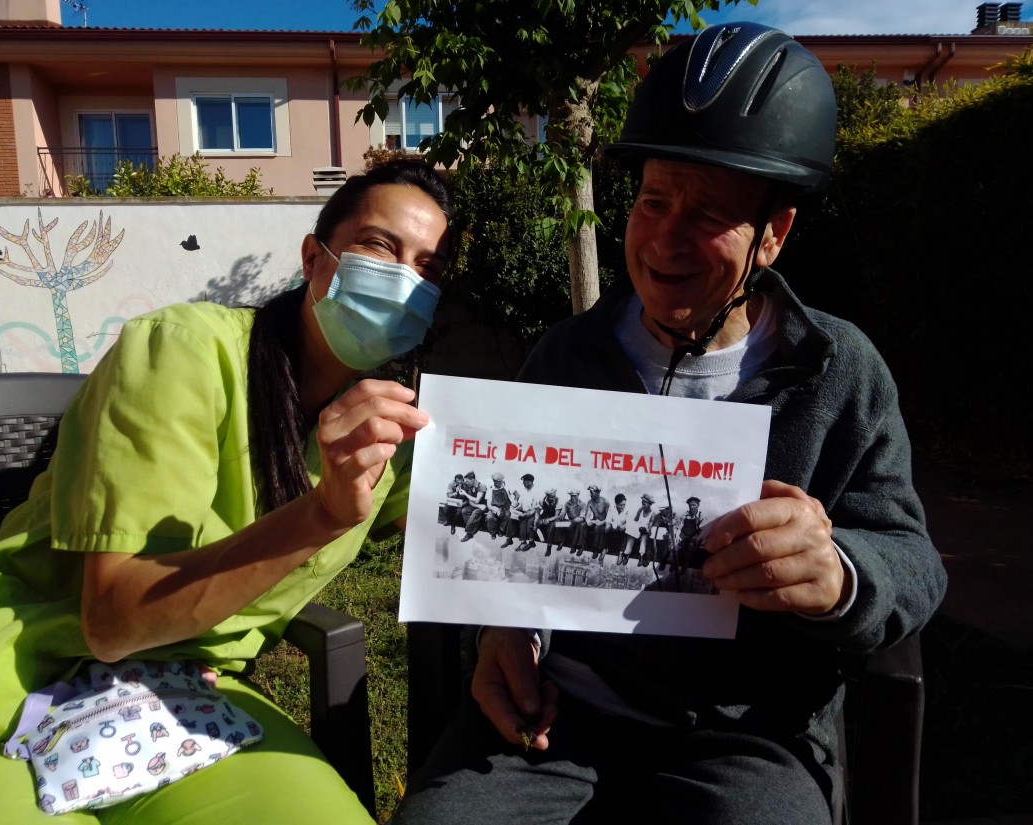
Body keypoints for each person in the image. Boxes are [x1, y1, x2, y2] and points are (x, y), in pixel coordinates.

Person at [391, 22, 946, 825]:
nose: (664, 239)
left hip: (746, 730)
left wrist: (839, 573)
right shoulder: (567, 353)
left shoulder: (838, 371)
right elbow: (513, 550)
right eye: (653, 201)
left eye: (708, 212)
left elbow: (915, 561)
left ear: (774, 235)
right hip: (563, 709)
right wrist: (504, 630)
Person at [0, 159, 456, 825]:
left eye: (428, 268)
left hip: (191, 700)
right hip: (7, 682)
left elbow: (477, 540)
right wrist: (321, 514)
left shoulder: (391, 430)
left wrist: (515, 636)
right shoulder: (184, 350)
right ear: (313, 257)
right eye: (380, 247)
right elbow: (112, 622)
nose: (405, 279)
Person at [576, 484, 610, 559]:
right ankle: (582, 546)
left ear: (598, 493)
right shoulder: (590, 502)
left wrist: (601, 522)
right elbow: (587, 515)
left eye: (592, 493)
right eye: (590, 493)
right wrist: (588, 521)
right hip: (595, 521)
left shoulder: (605, 502)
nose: (590, 494)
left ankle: (595, 549)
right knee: (582, 525)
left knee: (597, 528)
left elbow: (609, 517)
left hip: (603, 523)